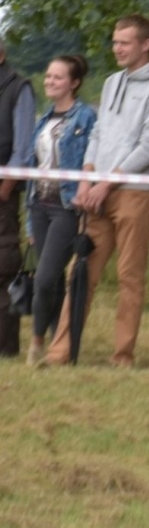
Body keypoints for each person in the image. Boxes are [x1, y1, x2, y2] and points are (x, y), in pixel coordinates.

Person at [45, 14, 149, 367]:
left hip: (135, 191)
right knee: (81, 271)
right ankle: (60, 352)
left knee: (129, 276)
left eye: (125, 42)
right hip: (97, 192)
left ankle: (122, 355)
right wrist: (87, 179)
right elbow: (98, 134)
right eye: (115, 42)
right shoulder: (112, 81)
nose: (117, 48)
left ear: (146, 44)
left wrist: (108, 181)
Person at [22, 55, 96, 366]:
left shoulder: (86, 118)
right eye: (48, 76)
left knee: (46, 277)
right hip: (39, 204)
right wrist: (28, 220)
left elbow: (92, 158)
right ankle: (58, 343)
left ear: (74, 83)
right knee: (47, 279)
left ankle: (36, 342)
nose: (49, 81)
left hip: (66, 208)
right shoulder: (43, 119)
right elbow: (35, 167)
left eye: (57, 77)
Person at [0, 35, 37, 355]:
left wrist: (5, 190)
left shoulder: (19, 88)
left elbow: (22, 149)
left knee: (3, 266)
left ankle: (4, 347)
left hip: (3, 194)